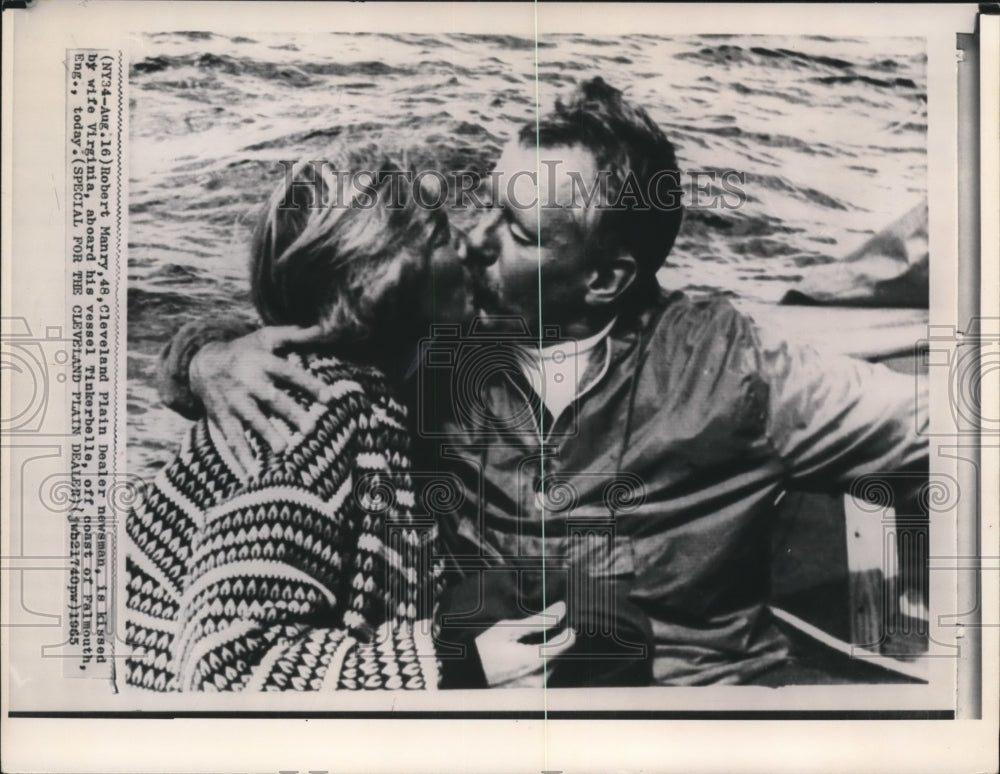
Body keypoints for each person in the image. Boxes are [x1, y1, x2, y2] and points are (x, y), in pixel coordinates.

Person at [157, 77, 928, 686]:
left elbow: (941, 429)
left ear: (603, 278)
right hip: (504, 685)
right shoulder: (446, 343)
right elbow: (310, 317)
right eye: (488, 209)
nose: (475, 242)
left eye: (520, 233)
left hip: (691, 704)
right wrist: (208, 356)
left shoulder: (740, 365)